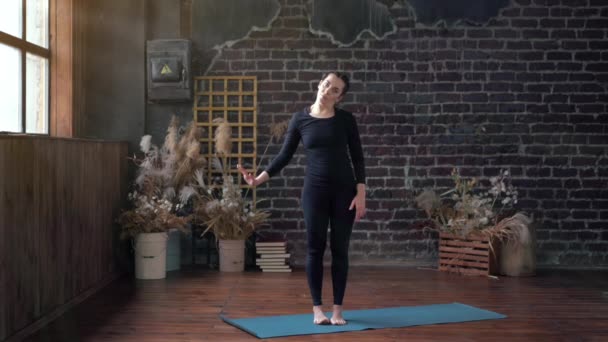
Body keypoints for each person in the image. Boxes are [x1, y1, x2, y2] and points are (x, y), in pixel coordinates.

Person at [237, 72, 366, 326]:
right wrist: (256, 181)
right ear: (319, 84)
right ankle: (318, 309)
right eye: (327, 84)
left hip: (345, 192)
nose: (328, 91)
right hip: (314, 192)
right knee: (315, 249)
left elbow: (358, 158)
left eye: (335, 90)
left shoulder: (346, 120)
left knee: (340, 250)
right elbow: (284, 156)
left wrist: (361, 194)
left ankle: (338, 310)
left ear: (340, 97)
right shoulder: (300, 119)